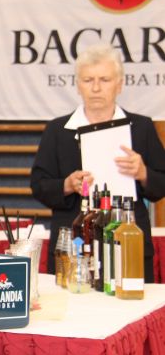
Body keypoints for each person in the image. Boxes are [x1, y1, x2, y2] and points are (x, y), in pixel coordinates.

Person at [31, 43, 165, 280]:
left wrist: (143, 173)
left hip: (129, 243)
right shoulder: (57, 130)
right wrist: (67, 185)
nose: (95, 88)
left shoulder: (141, 127)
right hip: (73, 244)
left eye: (104, 80)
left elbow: (162, 184)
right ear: (77, 85)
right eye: (88, 80)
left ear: (119, 84)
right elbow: (39, 185)